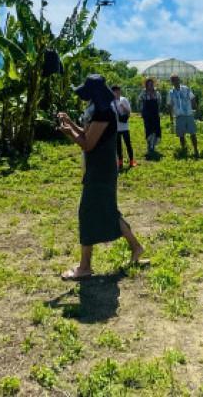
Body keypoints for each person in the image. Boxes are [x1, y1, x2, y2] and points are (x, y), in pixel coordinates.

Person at [56, 74, 145, 281]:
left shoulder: (104, 112)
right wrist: (70, 123)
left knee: (87, 212)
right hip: (99, 168)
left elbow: (87, 144)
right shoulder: (98, 109)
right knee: (108, 210)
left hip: (101, 169)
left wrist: (69, 132)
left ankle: (85, 266)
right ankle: (136, 247)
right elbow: (86, 134)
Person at [167, 74, 199, 158]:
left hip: (188, 114)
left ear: (179, 80)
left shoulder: (186, 89)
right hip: (179, 116)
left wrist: (195, 108)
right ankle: (184, 149)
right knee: (181, 135)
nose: (176, 81)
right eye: (173, 80)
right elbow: (170, 105)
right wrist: (171, 117)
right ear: (172, 82)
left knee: (193, 133)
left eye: (177, 79)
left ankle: (196, 150)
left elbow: (192, 98)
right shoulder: (171, 92)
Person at [111, 85, 135, 171]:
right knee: (118, 146)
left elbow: (129, 112)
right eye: (116, 91)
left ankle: (132, 161)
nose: (118, 93)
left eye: (119, 91)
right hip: (116, 128)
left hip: (125, 127)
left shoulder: (124, 99)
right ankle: (120, 162)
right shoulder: (110, 102)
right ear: (112, 92)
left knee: (128, 144)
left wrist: (123, 107)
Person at [137, 78, 163, 157]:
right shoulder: (143, 93)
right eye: (149, 84)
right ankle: (149, 145)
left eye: (152, 84)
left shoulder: (157, 93)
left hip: (155, 113)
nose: (150, 85)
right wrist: (141, 111)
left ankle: (153, 145)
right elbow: (139, 100)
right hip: (147, 114)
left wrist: (158, 111)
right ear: (146, 85)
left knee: (155, 129)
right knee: (148, 129)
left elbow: (159, 102)